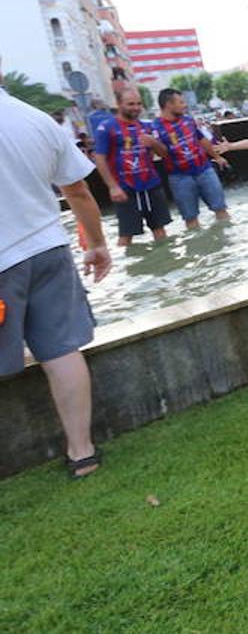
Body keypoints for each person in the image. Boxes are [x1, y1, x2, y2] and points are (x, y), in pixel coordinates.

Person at [0, 71, 113, 478]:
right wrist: (97, 244)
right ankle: (82, 453)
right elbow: (78, 191)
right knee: (62, 351)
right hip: (49, 250)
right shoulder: (35, 119)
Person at [92, 89, 171, 247]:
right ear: (119, 104)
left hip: (151, 186)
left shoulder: (147, 127)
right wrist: (113, 187)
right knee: (126, 235)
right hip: (125, 189)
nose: (135, 107)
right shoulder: (107, 128)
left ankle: (166, 262)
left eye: (138, 104)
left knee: (160, 230)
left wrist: (153, 142)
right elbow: (99, 158)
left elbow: (164, 154)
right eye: (130, 104)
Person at [153, 88, 229, 230]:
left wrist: (217, 157)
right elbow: (161, 154)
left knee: (221, 209)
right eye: (181, 102)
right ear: (169, 105)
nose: (185, 105)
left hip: (205, 170)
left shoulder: (188, 120)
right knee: (190, 218)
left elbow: (202, 140)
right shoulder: (156, 128)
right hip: (179, 177)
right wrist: (153, 143)